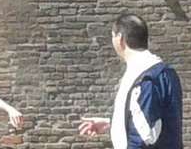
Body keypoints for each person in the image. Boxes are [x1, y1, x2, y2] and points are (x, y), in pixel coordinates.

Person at [76, 14, 183, 149]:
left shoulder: (145, 79)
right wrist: (111, 123)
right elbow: (149, 120)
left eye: (113, 36)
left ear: (120, 38)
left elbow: (146, 136)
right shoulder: (162, 72)